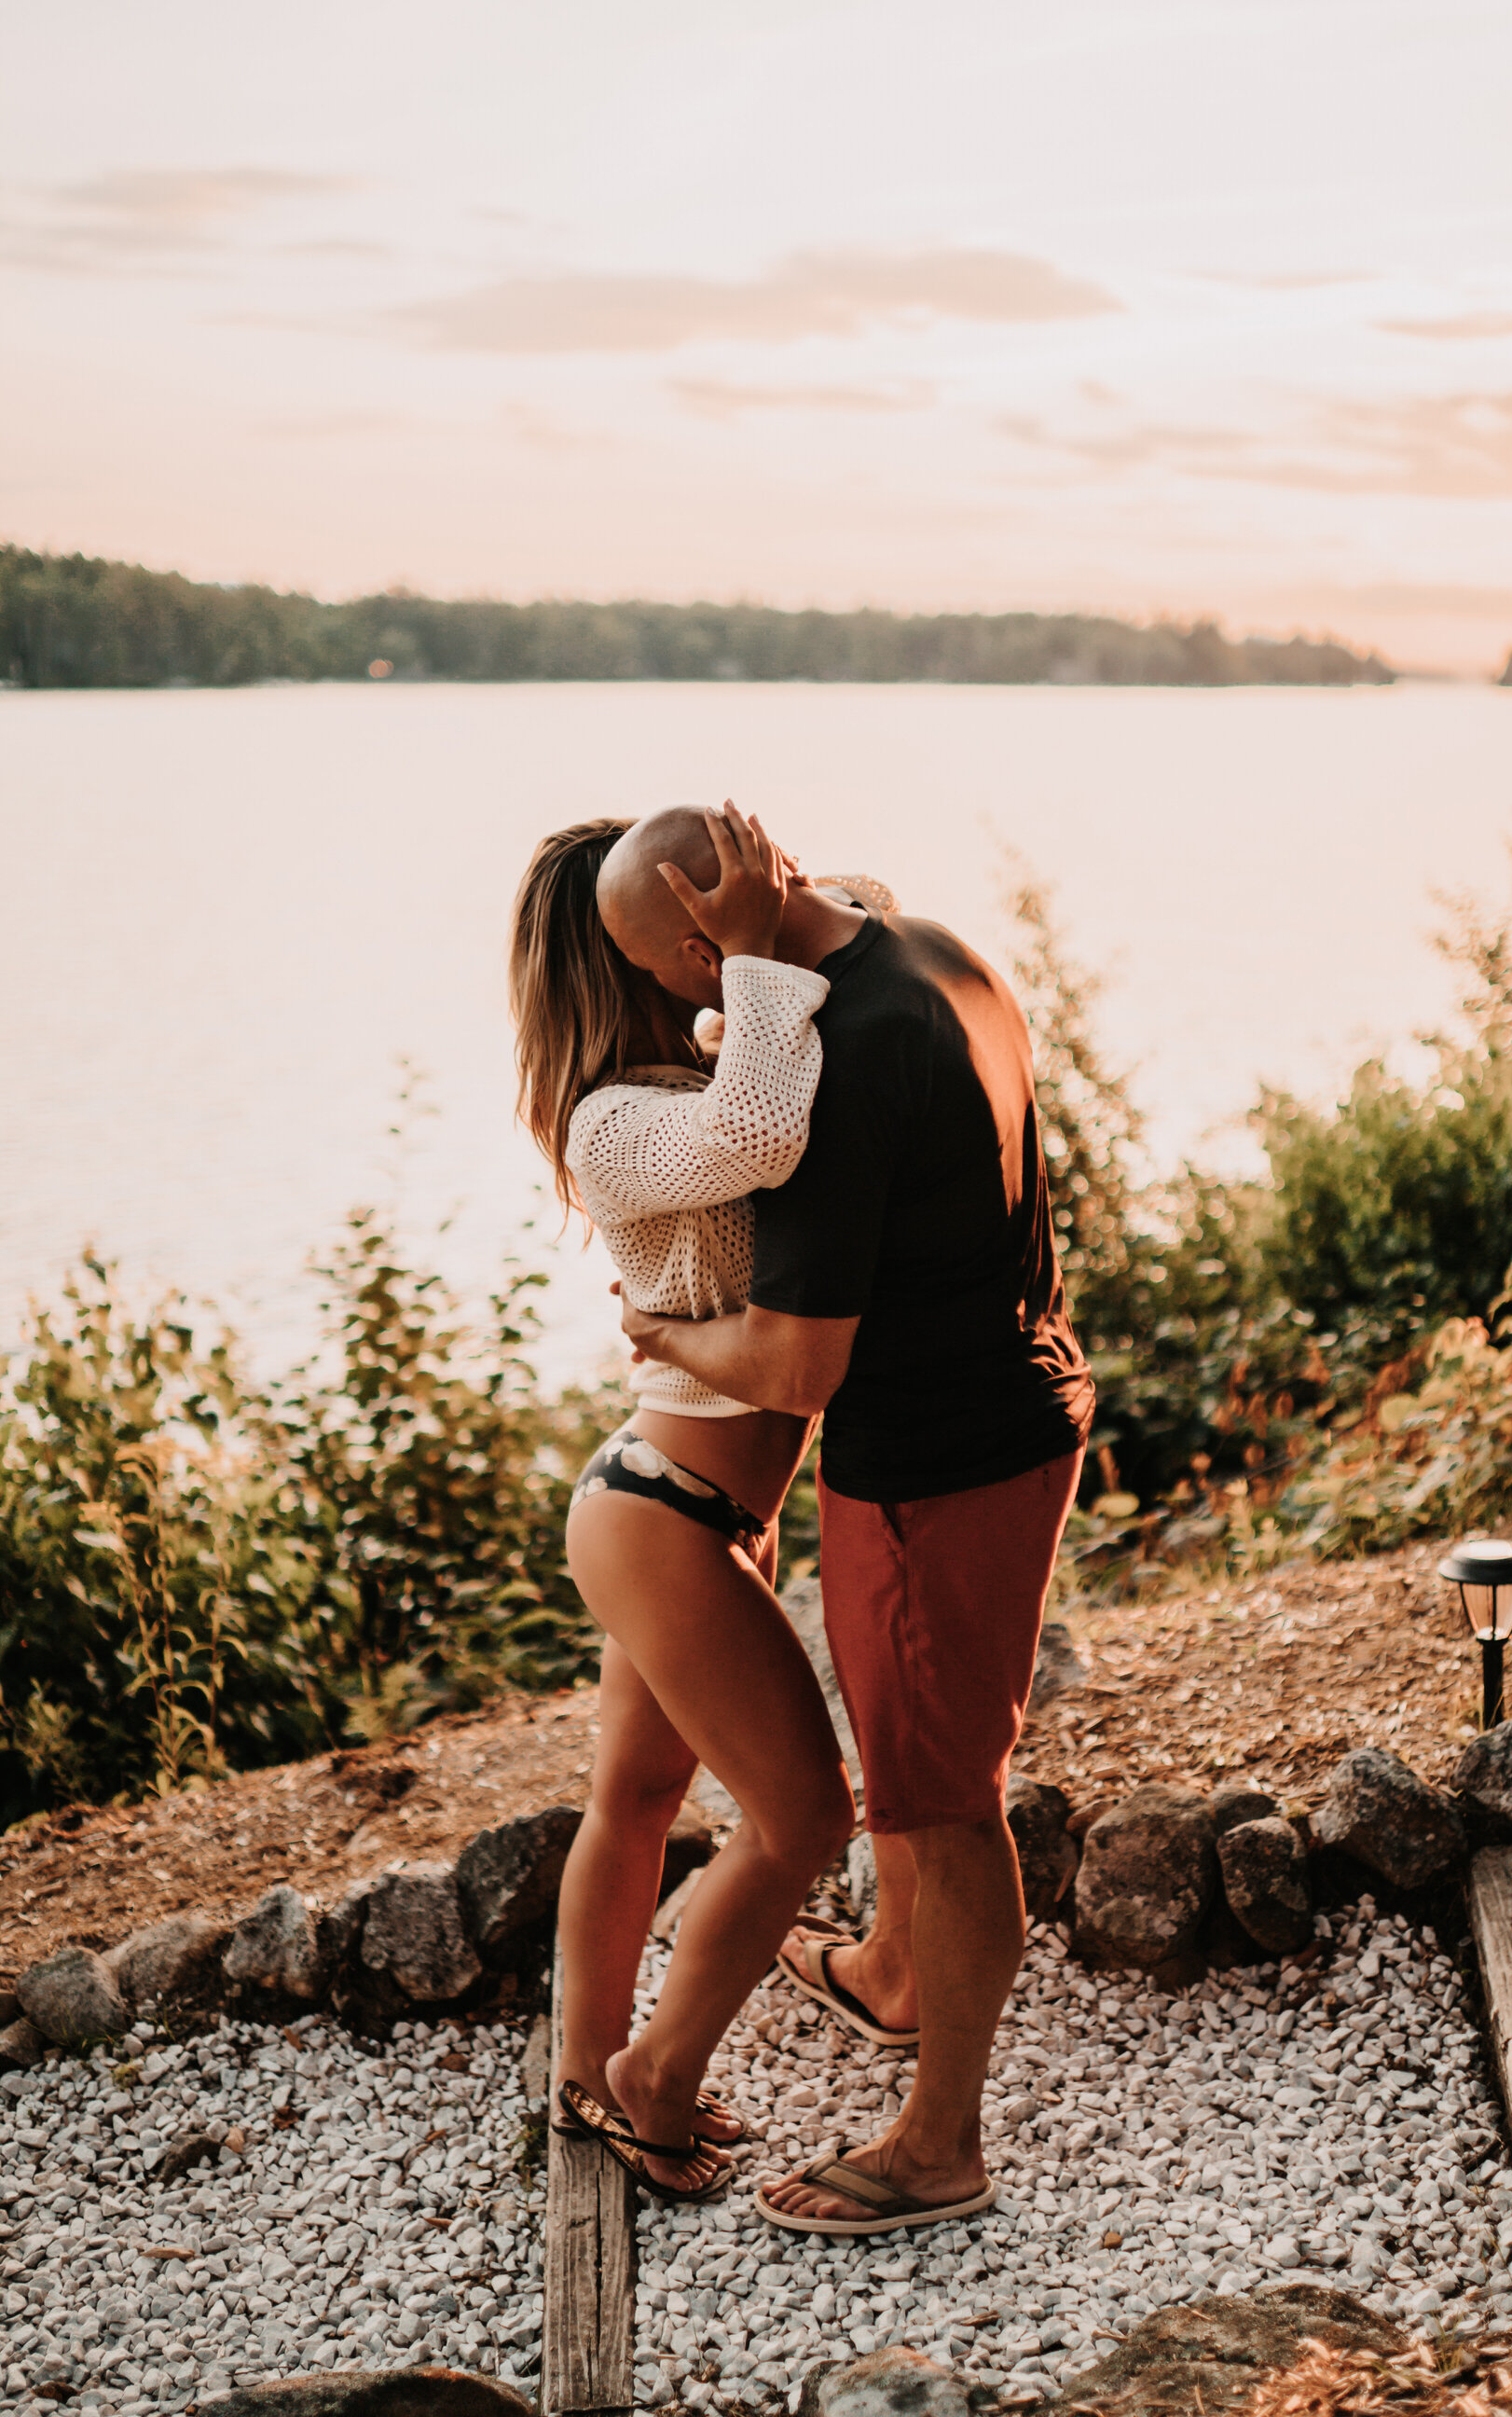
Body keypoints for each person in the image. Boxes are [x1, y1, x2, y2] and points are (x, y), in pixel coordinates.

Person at [612, 811, 1096, 2237]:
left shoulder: (837, 1058)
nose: (685, 1011)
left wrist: (662, 1330)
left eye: (675, 978)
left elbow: (795, 1367)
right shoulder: (930, 949)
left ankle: (937, 2143)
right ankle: (893, 1969)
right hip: (1016, 1401)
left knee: (938, 1804)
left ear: (712, 943)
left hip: (934, 1467)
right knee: (921, 1762)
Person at [507, 804, 857, 2204]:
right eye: (669, 937)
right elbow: (767, 1134)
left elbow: (861, 917)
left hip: (684, 1509)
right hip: (660, 1515)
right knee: (803, 1821)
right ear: (620, 963)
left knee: (639, 1798)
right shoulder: (614, 1125)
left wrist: (755, 908)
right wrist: (755, 950)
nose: (702, 952)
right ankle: (653, 2076)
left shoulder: (703, 1056)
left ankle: (584, 2088)